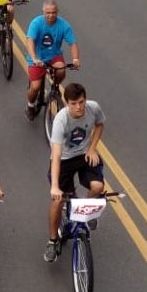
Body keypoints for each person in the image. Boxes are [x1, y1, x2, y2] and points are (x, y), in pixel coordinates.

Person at [44, 81, 106, 261]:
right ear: (66, 103)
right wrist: (55, 186)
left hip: (84, 155)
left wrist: (92, 148)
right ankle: (52, 241)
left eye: (81, 102)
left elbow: (100, 125)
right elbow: (56, 155)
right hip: (64, 160)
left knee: (98, 187)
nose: (79, 107)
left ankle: (87, 210)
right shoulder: (61, 120)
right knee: (58, 200)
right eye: (74, 104)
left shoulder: (93, 108)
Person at [25, 0, 80, 121]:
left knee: (61, 69)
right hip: (37, 58)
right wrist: (34, 58)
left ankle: (55, 86)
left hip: (54, 56)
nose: (51, 15)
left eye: (53, 12)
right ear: (43, 12)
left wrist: (76, 59)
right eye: (48, 13)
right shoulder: (36, 23)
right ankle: (30, 105)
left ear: (57, 12)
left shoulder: (64, 25)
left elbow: (72, 43)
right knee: (35, 86)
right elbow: (30, 41)